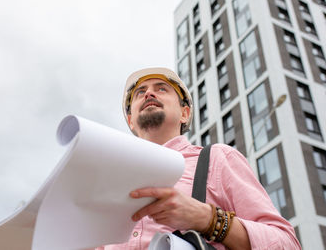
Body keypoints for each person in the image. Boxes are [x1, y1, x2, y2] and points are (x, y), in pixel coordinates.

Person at [96, 67, 301, 250]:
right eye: (140, 92)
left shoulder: (218, 158)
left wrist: (208, 219)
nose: (149, 92)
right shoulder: (111, 182)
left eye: (161, 88)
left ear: (184, 113)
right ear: (131, 121)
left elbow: (287, 244)